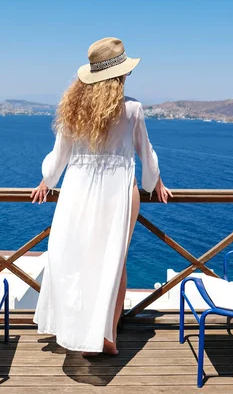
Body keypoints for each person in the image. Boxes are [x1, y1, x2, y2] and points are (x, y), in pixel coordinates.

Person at [31, 37, 172, 355]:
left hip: (77, 191)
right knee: (114, 262)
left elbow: (59, 156)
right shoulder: (133, 109)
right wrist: (155, 183)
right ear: (120, 75)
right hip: (118, 191)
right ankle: (107, 337)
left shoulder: (73, 110)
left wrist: (47, 180)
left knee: (77, 258)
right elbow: (146, 155)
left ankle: (76, 330)